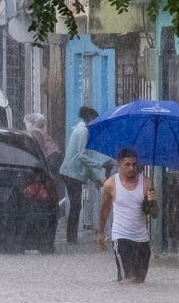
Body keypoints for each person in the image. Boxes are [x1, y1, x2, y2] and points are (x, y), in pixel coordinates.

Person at [97, 148, 159, 283]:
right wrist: (101, 232)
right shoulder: (110, 184)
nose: (132, 168)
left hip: (142, 240)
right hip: (121, 237)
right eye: (127, 164)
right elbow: (105, 209)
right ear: (119, 164)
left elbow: (154, 214)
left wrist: (152, 201)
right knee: (128, 281)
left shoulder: (147, 184)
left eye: (134, 164)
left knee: (139, 282)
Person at [59, 106, 111, 243]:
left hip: (72, 173)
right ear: (90, 118)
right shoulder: (83, 131)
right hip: (72, 174)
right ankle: (71, 238)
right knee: (76, 205)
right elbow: (82, 156)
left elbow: (85, 162)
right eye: (95, 120)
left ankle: (71, 237)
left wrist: (97, 180)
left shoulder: (81, 130)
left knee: (76, 205)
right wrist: (101, 165)